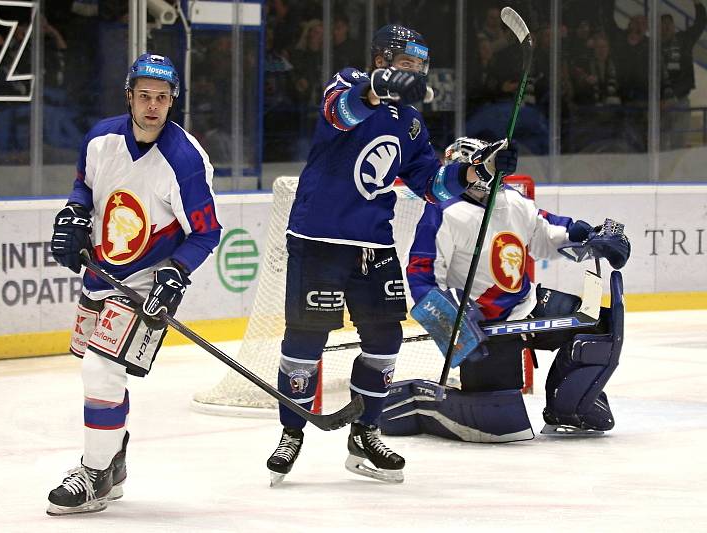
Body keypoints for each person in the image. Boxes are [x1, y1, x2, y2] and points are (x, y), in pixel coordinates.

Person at [265, 26, 518, 485]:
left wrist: (477, 170)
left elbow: (430, 186)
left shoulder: (413, 123)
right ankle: (291, 433)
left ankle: (365, 433)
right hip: (320, 239)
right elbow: (339, 113)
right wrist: (377, 87)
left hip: (375, 245)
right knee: (305, 342)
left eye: (420, 67)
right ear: (382, 58)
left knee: (385, 342)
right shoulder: (346, 82)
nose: (416, 74)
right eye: (407, 65)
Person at [46, 53, 221, 515]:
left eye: (162, 98)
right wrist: (74, 214)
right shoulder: (101, 137)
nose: (152, 105)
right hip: (102, 271)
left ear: (172, 102)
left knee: (101, 370)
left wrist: (176, 272)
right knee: (99, 369)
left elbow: (206, 231)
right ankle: (114, 459)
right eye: (144, 96)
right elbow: (84, 185)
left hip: (147, 280)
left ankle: (95, 473)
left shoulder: (185, 160)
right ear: (129, 96)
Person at [381, 137, 630, 443]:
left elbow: (549, 233)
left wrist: (592, 238)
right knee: (500, 425)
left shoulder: (513, 201)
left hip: (526, 305)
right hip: (485, 326)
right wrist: (451, 323)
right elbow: (421, 277)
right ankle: (422, 407)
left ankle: (569, 408)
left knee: (599, 328)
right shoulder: (443, 213)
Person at [660, 1, 707, 149]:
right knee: (659, 145)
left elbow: (700, 24)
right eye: (663, 24)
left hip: (680, 100)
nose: (666, 27)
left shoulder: (684, 40)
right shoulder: (652, 46)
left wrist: (698, 3)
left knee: (678, 145)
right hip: (660, 103)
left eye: (669, 24)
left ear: (674, 27)